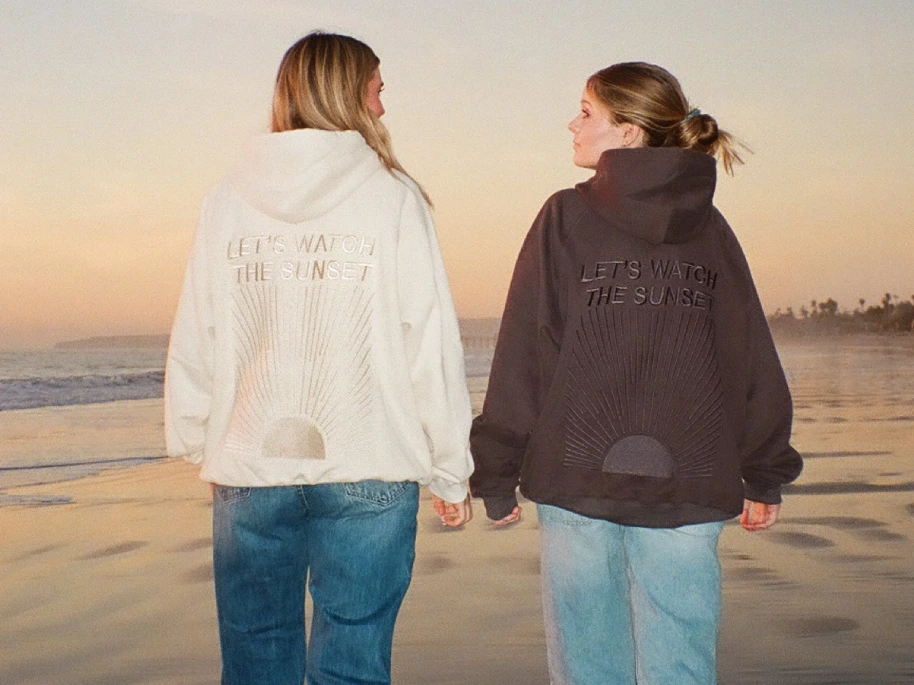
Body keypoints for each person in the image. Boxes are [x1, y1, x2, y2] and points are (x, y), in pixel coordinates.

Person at [469, 62, 802, 684]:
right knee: (681, 667)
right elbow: (747, 355)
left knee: (589, 668)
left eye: (586, 112)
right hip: (690, 480)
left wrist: (497, 468)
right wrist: (764, 468)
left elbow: (526, 352)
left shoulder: (564, 217)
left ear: (628, 131)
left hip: (577, 477)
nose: (572, 124)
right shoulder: (710, 228)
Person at [165, 31, 473, 685]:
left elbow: (199, 326)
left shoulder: (227, 198)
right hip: (372, 460)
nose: (383, 106)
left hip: (252, 464)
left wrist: (194, 433)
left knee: (255, 657)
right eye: (377, 89)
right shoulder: (393, 196)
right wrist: (450, 467)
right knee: (352, 663)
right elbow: (428, 340)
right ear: (346, 93)